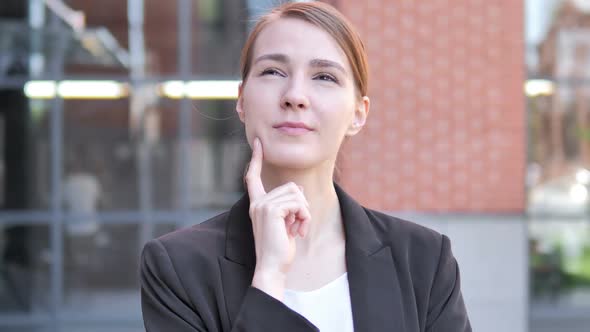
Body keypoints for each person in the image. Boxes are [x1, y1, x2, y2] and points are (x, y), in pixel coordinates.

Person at [140, 2, 471, 331]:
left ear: (358, 113)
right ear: (241, 100)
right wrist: (269, 276)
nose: (295, 95)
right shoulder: (177, 267)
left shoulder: (423, 261)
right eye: (273, 71)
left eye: (324, 76)